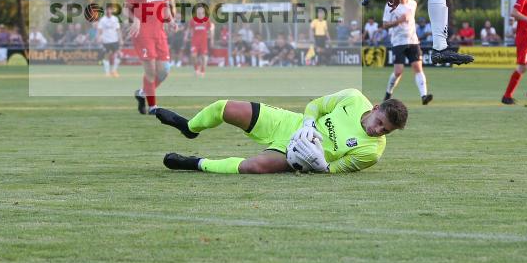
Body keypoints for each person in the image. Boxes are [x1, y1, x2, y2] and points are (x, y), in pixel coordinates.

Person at [154, 89, 408, 174]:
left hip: (296, 153)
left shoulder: (371, 153)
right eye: (379, 122)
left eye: (386, 130)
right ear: (375, 108)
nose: (378, 131)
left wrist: (321, 167)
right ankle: (189, 128)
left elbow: (335, 170)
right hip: (289, 123)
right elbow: (316, 106)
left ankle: (194, 164)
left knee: (253, 167)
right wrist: (308, 123)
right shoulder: (353, 98)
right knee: (225, 108)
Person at [126, 0, 174, 115]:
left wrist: (170, 20)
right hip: (143, 34)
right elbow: (127, 10)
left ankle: (142, 93)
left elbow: (166, 4)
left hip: (159, 33)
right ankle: (153, 106)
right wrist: (136, 20)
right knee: (151, 71)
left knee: (164, 71)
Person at [382, 0, 432, 105]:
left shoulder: (413, 4)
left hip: (413, 41)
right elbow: (385, 25)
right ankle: (388, 94)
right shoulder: (390, 6)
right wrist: (398, 21)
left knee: (418, 68)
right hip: (398, 42)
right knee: (398, 71)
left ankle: (424, 96)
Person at [96, 7, 122, 77]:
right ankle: (107, 73)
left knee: (118, 55)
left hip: (115, 40)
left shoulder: (115, 19)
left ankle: (114, 71)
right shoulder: (102, 20)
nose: (108, 11)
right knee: (106, 56)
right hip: (106, 40)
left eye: (110, 9)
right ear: (105, 11)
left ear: (111, 11)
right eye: (107, 10)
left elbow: (118, 29)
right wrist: (98, 37)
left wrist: (121, 39)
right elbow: (99, 30)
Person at [187, 5, 212, 77]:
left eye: (201, 13)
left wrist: (211, 38)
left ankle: (203, 71)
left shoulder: (207, 20)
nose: (199, 14)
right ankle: (196, 69)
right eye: (198, 13)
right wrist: (187, 36)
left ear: (203, 13)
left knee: (204, 57)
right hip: (194, 41)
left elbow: (210, 30)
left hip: (203, 42)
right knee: (193, 56)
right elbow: (189, 29)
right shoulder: (193, 20)